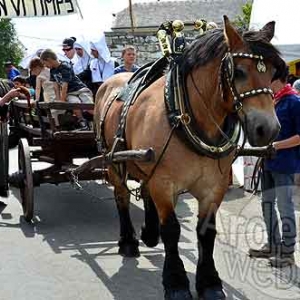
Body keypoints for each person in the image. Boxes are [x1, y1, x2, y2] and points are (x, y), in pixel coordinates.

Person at [249, 67, 300, 268]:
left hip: (284, 164)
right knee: (267, 204)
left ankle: (287, 252)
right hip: (268, 162)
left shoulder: (294, 103)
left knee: (285, 206)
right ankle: (272, 244)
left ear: (277, 79)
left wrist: (276, 146)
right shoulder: (273, 100)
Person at [40, 49, 93, 130]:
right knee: (75, 105)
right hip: (70, 93)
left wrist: (62, 100)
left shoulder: (65, 66)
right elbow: (56, 86)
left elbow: (65, 86)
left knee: (88, 106)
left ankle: (100, 119)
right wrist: (58, 100)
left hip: (80, 89)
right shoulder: (52, 70)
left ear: (49, 60)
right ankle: (83, 123)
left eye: (45, 63)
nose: (45, 66)